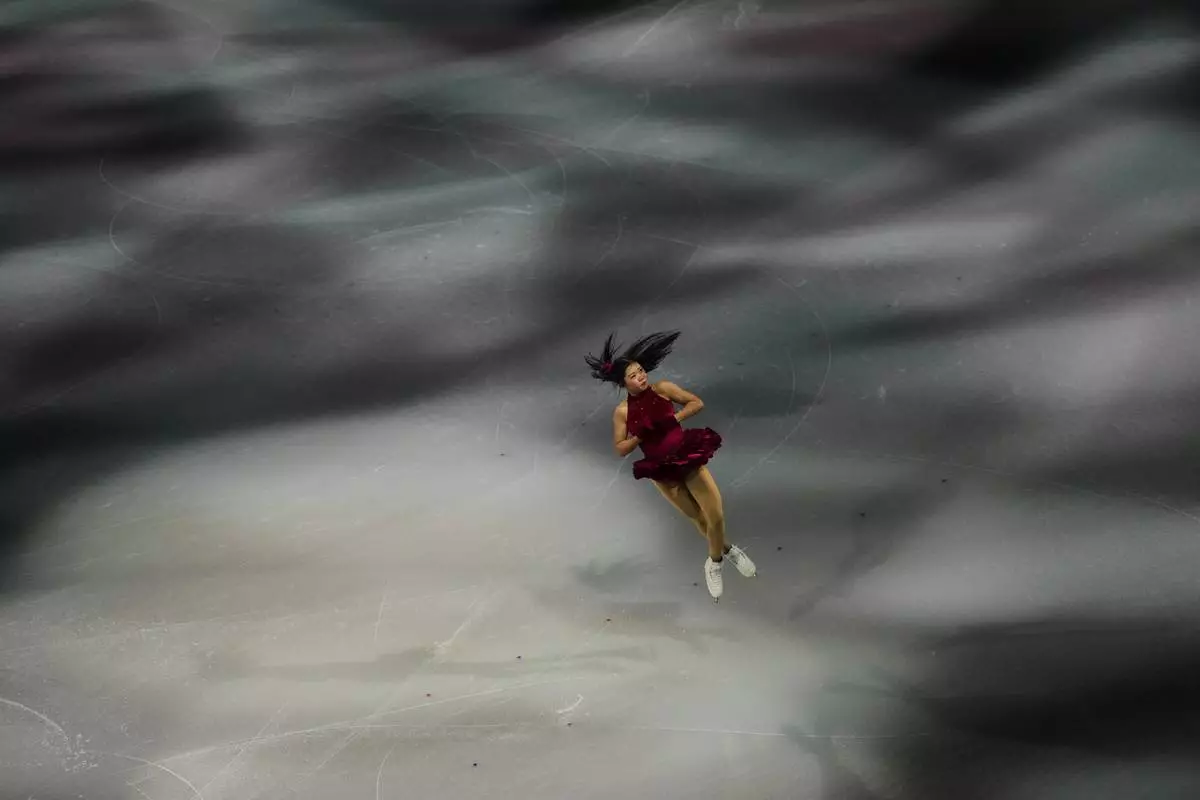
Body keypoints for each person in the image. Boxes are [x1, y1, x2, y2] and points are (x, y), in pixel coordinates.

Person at [585, 330, 757, 601]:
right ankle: (728, 550)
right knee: (699, 518)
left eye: (641, 370)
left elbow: (696, 403)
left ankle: (714, 562)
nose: (641, 376)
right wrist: (640, 435)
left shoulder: (663, 389)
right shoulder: (622, 412)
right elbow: (620, 448)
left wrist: (674, 419)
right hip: (662, 472)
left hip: (686, 456)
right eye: (633, 375)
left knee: (716, 515)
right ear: (623, 383)